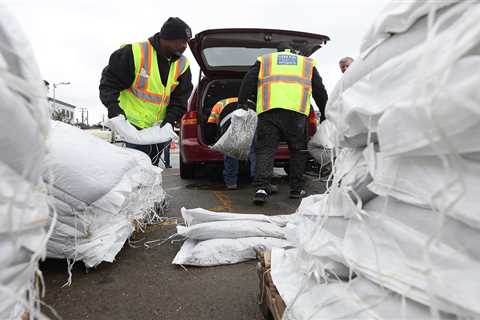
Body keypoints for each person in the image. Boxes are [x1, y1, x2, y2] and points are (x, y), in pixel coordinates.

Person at [238, 42, 328, 205]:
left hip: (269, 111)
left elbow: (248, 80)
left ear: (278, 51)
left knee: (266, 150)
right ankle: (296, 189)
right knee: (298, 150)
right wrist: (324, 112)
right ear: (295, 51)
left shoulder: (265, 60)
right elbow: (319, 89)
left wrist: (242, 101)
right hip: (296, 113)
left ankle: (261, 189)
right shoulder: (306, 63)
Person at [99, 17, 193, 166]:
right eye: (179, 41)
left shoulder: (183, 64)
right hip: (132, 128)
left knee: (151, 171)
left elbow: (180, 98)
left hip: (159, 129)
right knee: (133, 173)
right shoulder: (135, 53)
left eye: (186, 42)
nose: (184, 46)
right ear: (165, 39)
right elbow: (109, 84)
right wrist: (114, 110)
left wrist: (170, 120)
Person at [206, 97, 256, 190]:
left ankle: (231, 182)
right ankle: (258, 180)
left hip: (230, 120)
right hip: (251, 118)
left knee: (231, 151)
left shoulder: (220, 103)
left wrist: (212, 141)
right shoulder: (250, 101)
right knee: (254, 151)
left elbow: (211, 125)